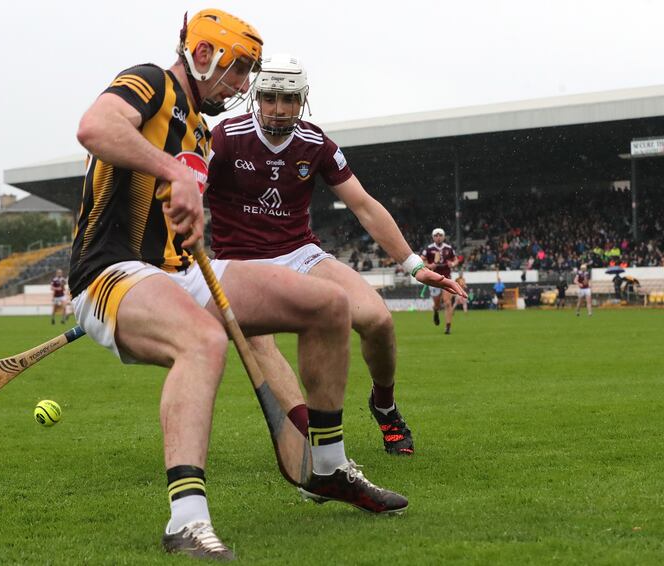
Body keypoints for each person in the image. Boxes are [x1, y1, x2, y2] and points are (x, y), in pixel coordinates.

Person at [68, 13, 407, 561]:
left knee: (328, 304)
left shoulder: (200, 130)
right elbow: (96, 128)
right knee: (204, 341)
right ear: (204, 55)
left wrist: (189, 213)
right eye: (239, 69)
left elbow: (177, 203)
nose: (244, 85)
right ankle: (186, 520)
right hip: (111, 270)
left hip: (176, 270)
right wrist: (175, 173)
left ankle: (327, 466)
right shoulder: (149, 81)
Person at [205, 53, 466, 458]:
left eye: (289, 99)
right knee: (262, 346)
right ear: (256, 96)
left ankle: (385, 407)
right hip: (240, 263)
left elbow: (363, 205)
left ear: (302, 100)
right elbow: (185, 187)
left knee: (378, 319)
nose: (278, 109)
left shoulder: (316, 143)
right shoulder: (224, 137)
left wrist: (414, 265)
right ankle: (313, 439)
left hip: (300, 253)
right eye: (270, 97)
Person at [421, 228, 459, 334]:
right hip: (433, 279)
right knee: (437, 305)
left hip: (446, 278)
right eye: (436, 235)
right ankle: (436, 311)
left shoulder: (449, 248)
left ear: (443, 236)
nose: (438, 237)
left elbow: (456, 260)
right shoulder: (428, 249)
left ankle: (448, 326)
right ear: (433, 237)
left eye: (440, 235)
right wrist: (429, 265)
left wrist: (453, 264)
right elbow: (421, 260)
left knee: (447, 302)